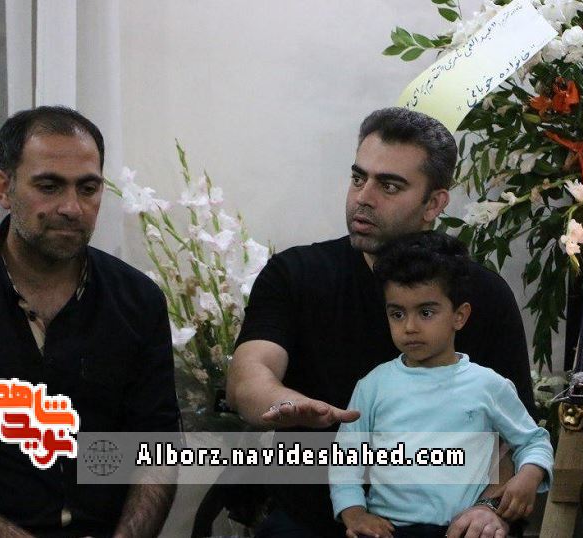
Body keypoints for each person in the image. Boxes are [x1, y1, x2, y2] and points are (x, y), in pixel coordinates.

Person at [226, 107, 535, 537]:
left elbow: (515, 440)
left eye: (389, 186)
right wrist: (285, 403)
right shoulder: (297, 274)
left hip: (441, 526)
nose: (363, 197)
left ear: (434, 204)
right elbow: (248, 376)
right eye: (358, 178)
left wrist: (490, 509)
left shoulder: (481, 294)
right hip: (310, 519)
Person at [0, 106, 179, 537]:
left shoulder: (137, 301)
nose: (72, 207)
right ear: (3, 188)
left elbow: (157, 449)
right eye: (49, 186)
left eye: (88, 188)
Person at [329, 231, 553, 538]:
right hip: (388, 530)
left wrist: (529, 475)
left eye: (426, 312)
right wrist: (354, 514)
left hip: (462, 529)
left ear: (459, 316)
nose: (409, 326)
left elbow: (533, 442)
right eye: (397, 314)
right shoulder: (373, 386)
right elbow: (345, 457)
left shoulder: (488, 385)